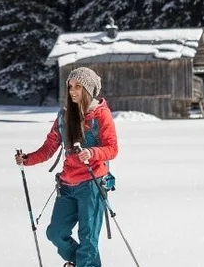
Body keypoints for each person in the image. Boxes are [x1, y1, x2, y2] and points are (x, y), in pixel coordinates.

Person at [17, 66, 119, 267]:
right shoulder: (63, 115)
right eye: (70, 86)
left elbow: (112, 148)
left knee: (88, 238)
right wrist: (27, 159)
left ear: (88, 90)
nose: (72, 91)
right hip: (67, 185)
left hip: (92, 184)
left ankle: (84, 263)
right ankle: (82, 262)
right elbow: (49, 147)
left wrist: (92, 153)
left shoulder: (100, 115)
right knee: (55, 233)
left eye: (78, 86)